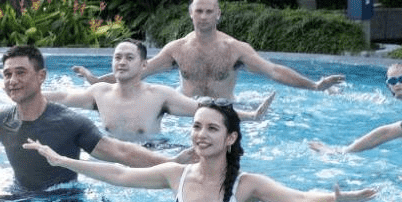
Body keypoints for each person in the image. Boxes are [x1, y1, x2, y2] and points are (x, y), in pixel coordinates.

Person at [30, 97, 377, 202]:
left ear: (230, 138)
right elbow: (121, 175)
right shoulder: (175, 174)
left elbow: (299, 200)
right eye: (197, 126)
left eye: (212, 128)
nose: (201, 135)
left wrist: (336, 201)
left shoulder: (248, 185)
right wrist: (62, 160)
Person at [0, 44, 174, 193]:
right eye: (7, 74)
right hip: (19, 196)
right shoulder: (3, 121)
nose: (12, 80)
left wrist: (176, 165)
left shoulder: (70, 122)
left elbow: (120, 152)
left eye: (21, 72)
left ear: (41, 77)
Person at [74, 0, 343, 97]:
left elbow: (272, 71)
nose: (203, 16)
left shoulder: (234, 48)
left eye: (209, 11)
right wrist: (97, 80)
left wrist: (314, 85)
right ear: (191, 14)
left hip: (225, 113)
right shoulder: (176, 49)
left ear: (218, 15)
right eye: (198, 11)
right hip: (188, 117)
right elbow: (138, 71)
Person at [47, 37, 271, 138]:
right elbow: (65, 96)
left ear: (143, 65)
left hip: (152, 156)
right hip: (113, 158)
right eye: (117, 57)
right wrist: (26, 95)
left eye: (128, 58)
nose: (121, 62)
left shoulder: (160, 96)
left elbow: (204, 109)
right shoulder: (99, 93)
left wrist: (251, 116)